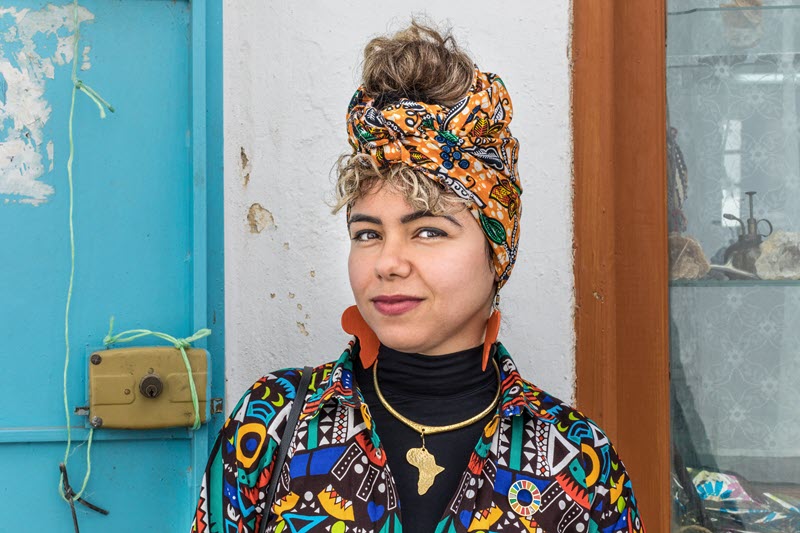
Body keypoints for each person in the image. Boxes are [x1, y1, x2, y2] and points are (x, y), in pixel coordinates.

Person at [192, 21, 645, 533]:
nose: (388, 262)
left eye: (428, 231)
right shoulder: (272, 425)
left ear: (495, 253)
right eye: (368, 233)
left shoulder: (577, 463)